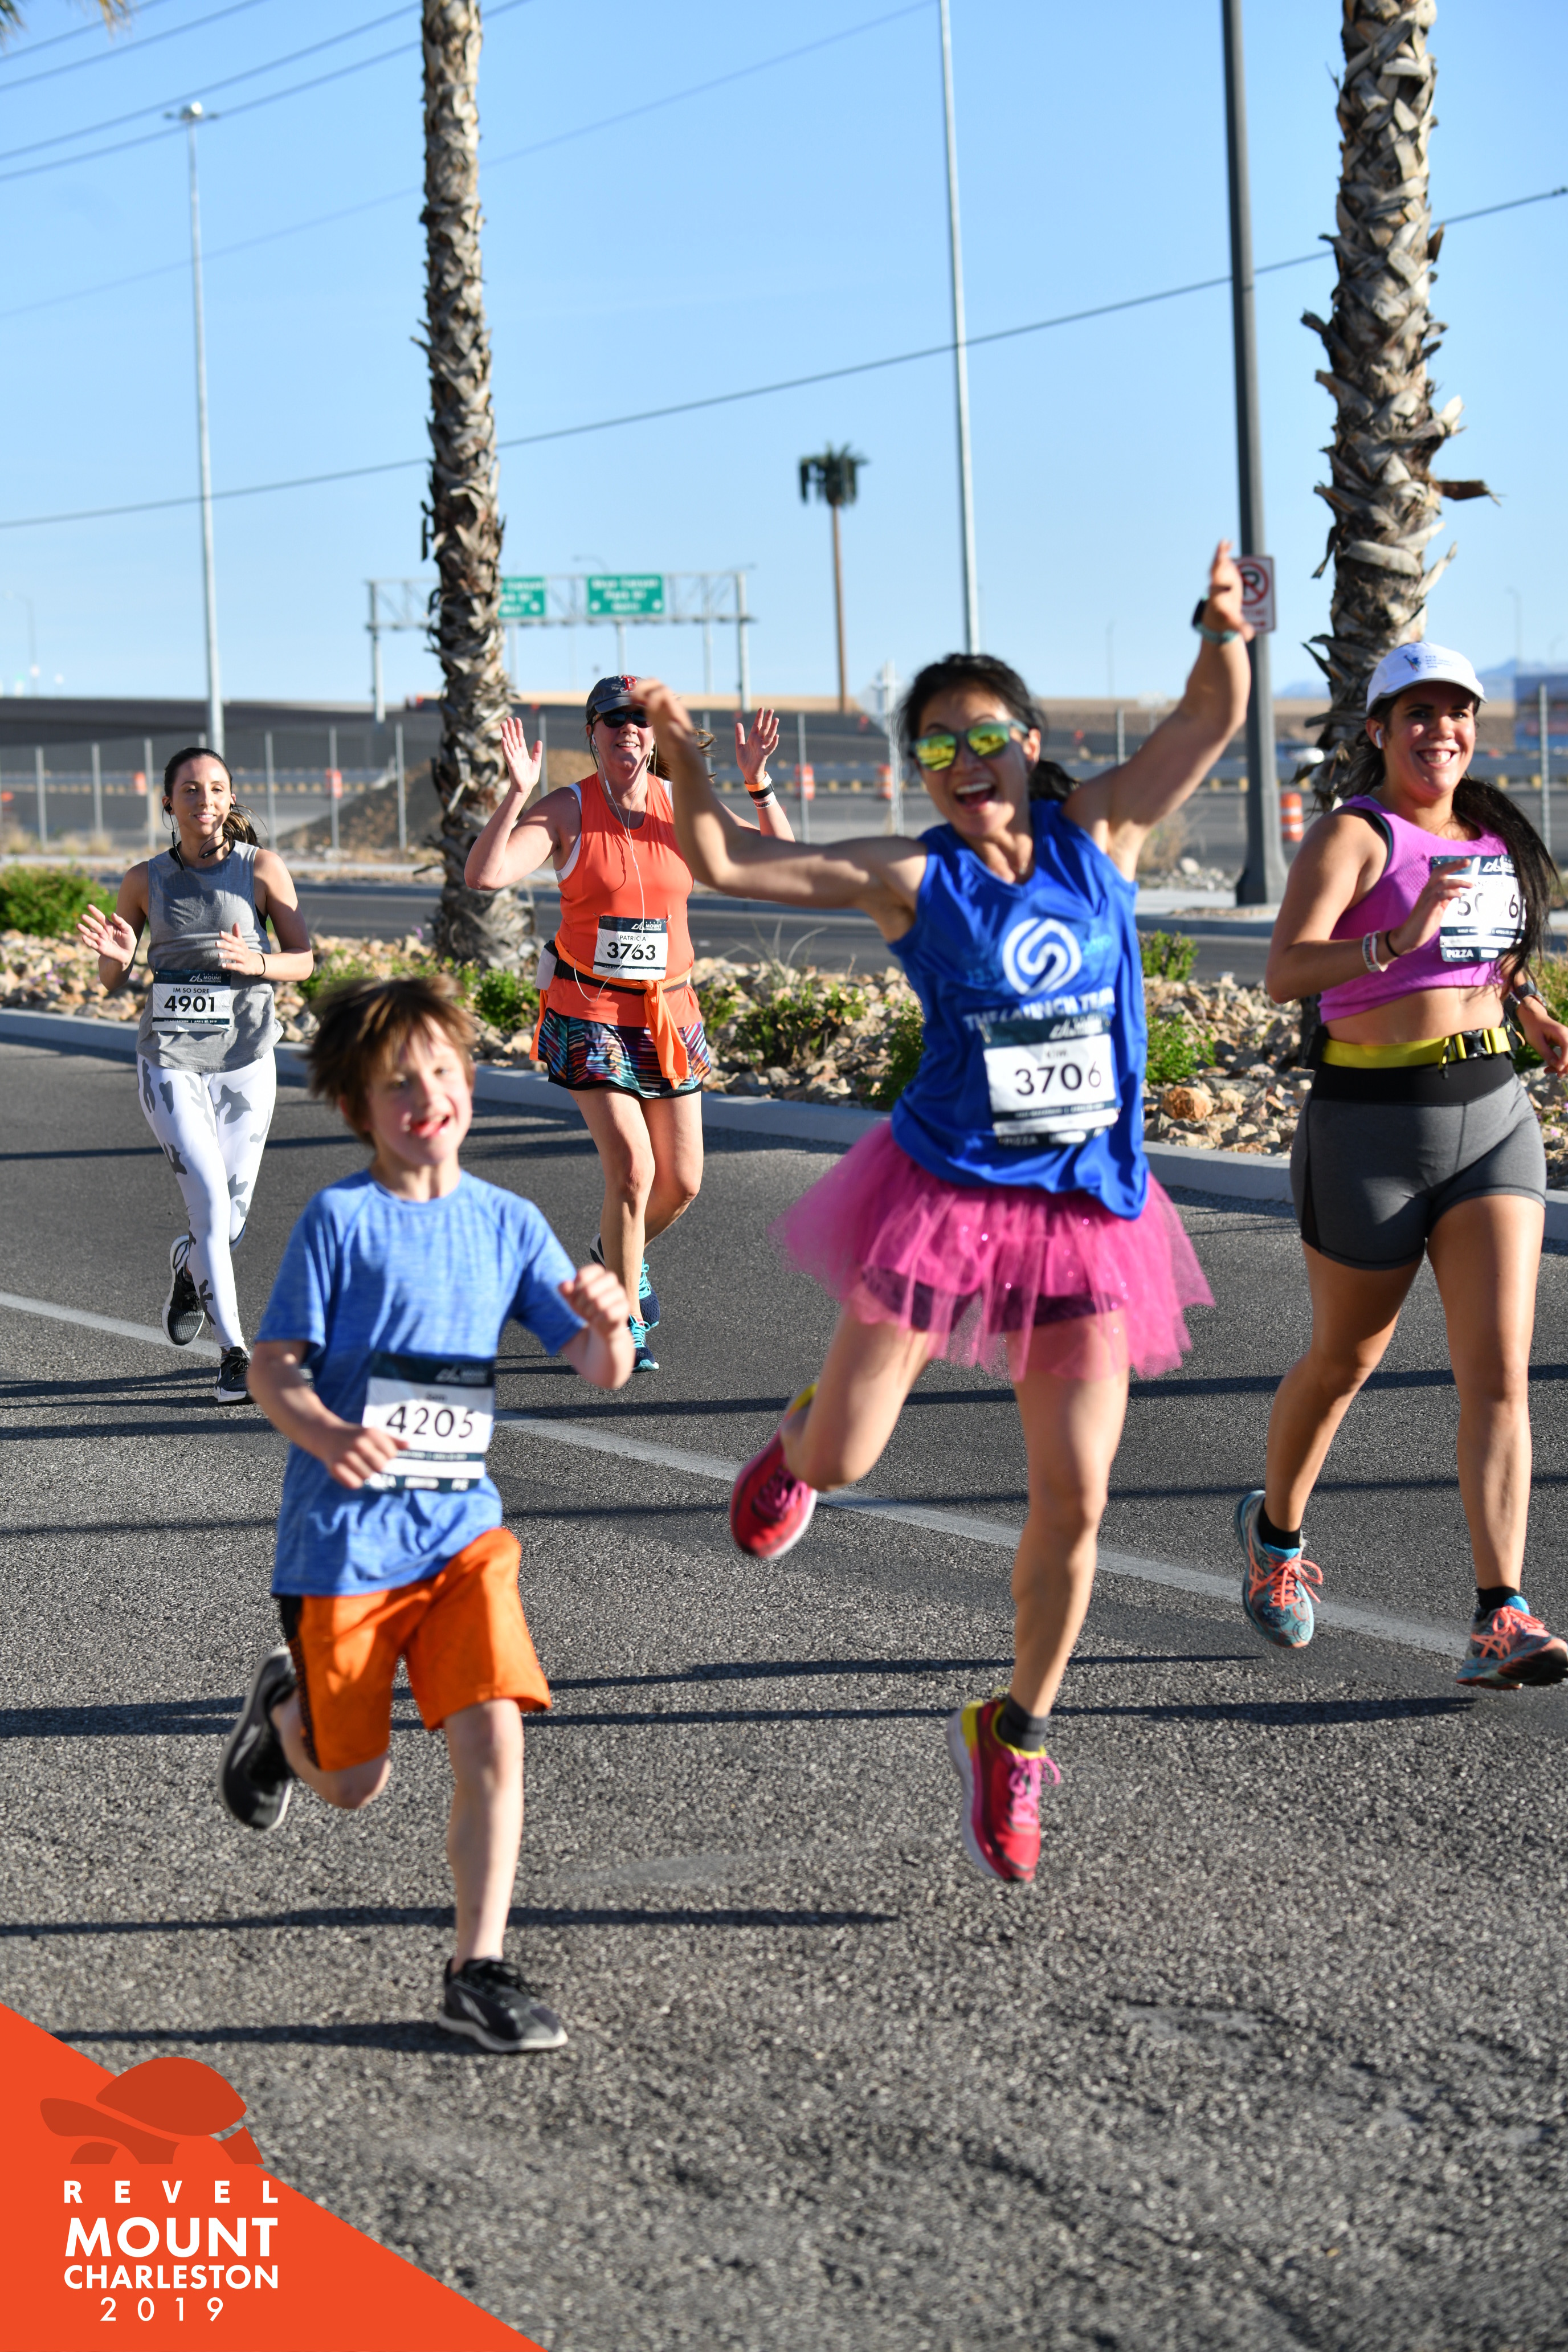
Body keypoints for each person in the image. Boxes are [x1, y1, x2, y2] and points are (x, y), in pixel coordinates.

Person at [636, 541, 1251, 1887]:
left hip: (1087, 1212)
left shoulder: (1101, 839)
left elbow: (1210, 720)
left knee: (1076, 1500)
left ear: (1030, 743)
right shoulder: (915, 879)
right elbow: (725, 861)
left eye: (984, 737)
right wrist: (680, 753)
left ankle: (1014, 1730)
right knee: (849, 1457)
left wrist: (1220, 627)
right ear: (918, 770)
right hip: (947, 1198)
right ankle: (799, 1438)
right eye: (935, 747)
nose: (964, 762)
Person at [218, 975, 632, 2053]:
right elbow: (273, 1366)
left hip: (461, 1538)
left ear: (469, 1083)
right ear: (357, 1105)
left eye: (442, 1072)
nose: (427, 1096)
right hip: (344, 1544)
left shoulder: (508, 1223)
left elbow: (597, 1366)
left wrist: (610, 1322)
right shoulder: (340, 1221)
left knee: (495, 1731)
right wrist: (324, 1433)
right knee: (354, 1784)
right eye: (398, 1082)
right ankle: (284, 1715)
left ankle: (476, 1967)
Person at [1239, 640, 1568, 1690]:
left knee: (1500, 1375)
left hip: (1493, 1117)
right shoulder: (1354, 834)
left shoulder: (1489, 833)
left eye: (1456, 713)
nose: (1441, 731)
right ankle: (1275, 1539)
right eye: (1417, 714)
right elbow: (1284, 970)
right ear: (1377, 729)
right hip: (1370, 1129)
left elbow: (1489, 951)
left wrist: (1528, 1006)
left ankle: (1500, 1612)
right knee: (1345, 1360)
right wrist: (1394, 939)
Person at [465, 676, 795, 1373]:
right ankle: (622, 1320)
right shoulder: (568, 807)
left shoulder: (682, 805)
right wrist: (517, 792)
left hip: (669, 1013)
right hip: (590, 1011)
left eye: (640, 719)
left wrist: (758, 786)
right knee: (634, 1168)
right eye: (613, 719)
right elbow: (486, 875)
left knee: (683, 1181)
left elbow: (779, 862)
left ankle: (616, 1253)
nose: (628, 729)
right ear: (592, 733)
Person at [77, 746, 313, 1405]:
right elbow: (112, 978)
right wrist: (118, 958)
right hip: (170, 1062)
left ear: (230, 799)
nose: (204, 799)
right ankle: (235, 1354)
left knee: (227, 1224)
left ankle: (189, 1266)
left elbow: (303, 959)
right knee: (208, 1201)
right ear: (168, 803)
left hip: (246, 1061)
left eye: (215, 788)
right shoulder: (143, 879)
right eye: (190, 789)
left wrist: (257, 963)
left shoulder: (261, 869)